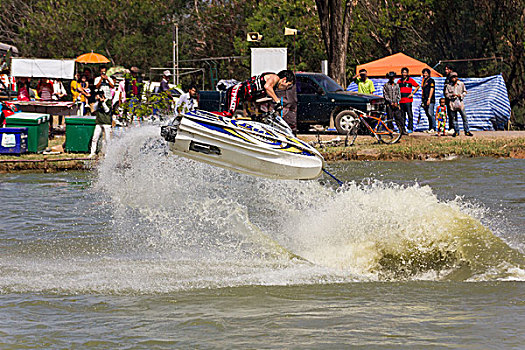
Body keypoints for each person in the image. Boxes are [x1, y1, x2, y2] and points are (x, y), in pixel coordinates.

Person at [222, 70, 295, 117]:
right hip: (236, 91)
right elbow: (267, 87)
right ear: (284, 80)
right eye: (288, 85)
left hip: (239, 95)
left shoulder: (272, 87)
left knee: (228, 115)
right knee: (228, 114)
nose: (286, 88)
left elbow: (257, 99)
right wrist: (277, 101)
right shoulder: (275, 77)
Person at [445, 72, 473, 137]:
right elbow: (446, 94)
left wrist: (460, 95)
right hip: (452, 103)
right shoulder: (448, 86)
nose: (454, 78)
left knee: (464, 118)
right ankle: (456, 131)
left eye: (455, 77)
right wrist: (451, 95)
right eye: (452, 77)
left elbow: (465, 92)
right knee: (454, 119)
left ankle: (467, 131)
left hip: (460, 103)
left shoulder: (461, 84)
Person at [89, 90, 112, 157]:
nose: (96, 97)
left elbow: (107, 110)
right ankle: (92, 152)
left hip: (106, 122)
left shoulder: (108, 101)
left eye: (97, 96)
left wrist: (103, 102)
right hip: (99, 122)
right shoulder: (97, 103)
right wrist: (98, 102)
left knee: (107, 139)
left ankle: (107, 153)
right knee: (95, 138)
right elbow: (94, 109)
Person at [397, 67, 420, 133]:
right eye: (403, 72)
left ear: (407, 73)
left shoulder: (410, 80)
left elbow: (417, 86)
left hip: (408, 101)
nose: (404, 74)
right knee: (402, 116)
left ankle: (410, 128)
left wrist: (412, 93)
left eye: (405, 72)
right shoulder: (399, 81)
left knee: (410, 115)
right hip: (401, 101)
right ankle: (402, 129)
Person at [420, 68, 436, 133]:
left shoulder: (431, 80)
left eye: (426, 73)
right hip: (425, 100)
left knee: (430, 113)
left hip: (430, 100)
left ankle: (433, 127)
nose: (425, 74)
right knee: (427, 114)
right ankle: (430, 127)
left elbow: (432, 89)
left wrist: (429, 98)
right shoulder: (424, 81)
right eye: (424, 73)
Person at [442, 65, 454, 132]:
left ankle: (452, 127)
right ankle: (450, 127)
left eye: (447, 69)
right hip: (447, 97)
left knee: (452, 113)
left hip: (451, 98)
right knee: (449, 113)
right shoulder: (447, 77)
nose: (446, 71)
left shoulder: (452, 77)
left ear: (450, 70)